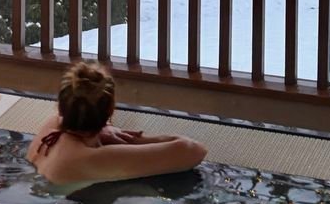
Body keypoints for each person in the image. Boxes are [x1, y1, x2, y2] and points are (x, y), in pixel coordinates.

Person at [27, 60, 207, 189]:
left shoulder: (51, 128)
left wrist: (104, 130)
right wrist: (135, 141)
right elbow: (194, 150)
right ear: (110, 110)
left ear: (61, 106)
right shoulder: (90, 158)